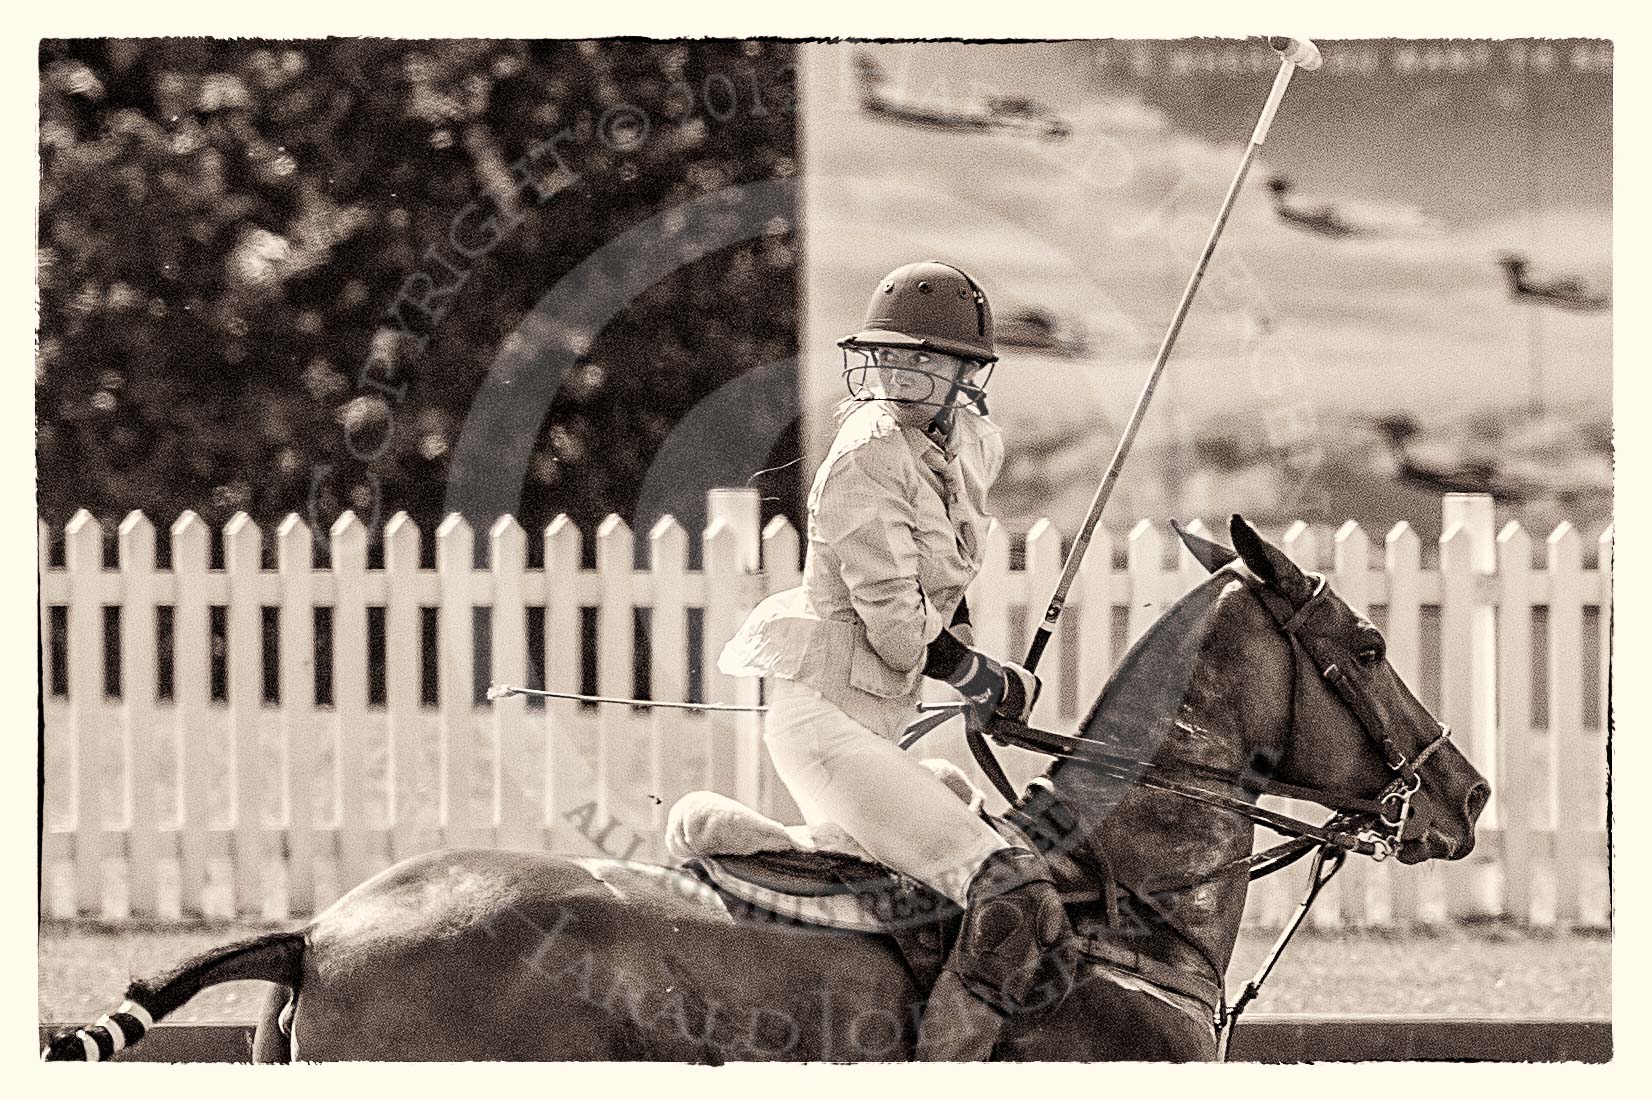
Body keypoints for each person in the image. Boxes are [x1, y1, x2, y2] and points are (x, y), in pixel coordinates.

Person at [718, 261, 1079, 1060]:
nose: (899, 372)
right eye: (889, 355)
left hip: (875, 725)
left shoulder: (965, 441)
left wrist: (982, 669)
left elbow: (947, 578)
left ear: (968, 373)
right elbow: (899, 630)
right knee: (1012, 892)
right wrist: (989, 678)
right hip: (825, 726)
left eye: (924, 358)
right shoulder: (866, 455)